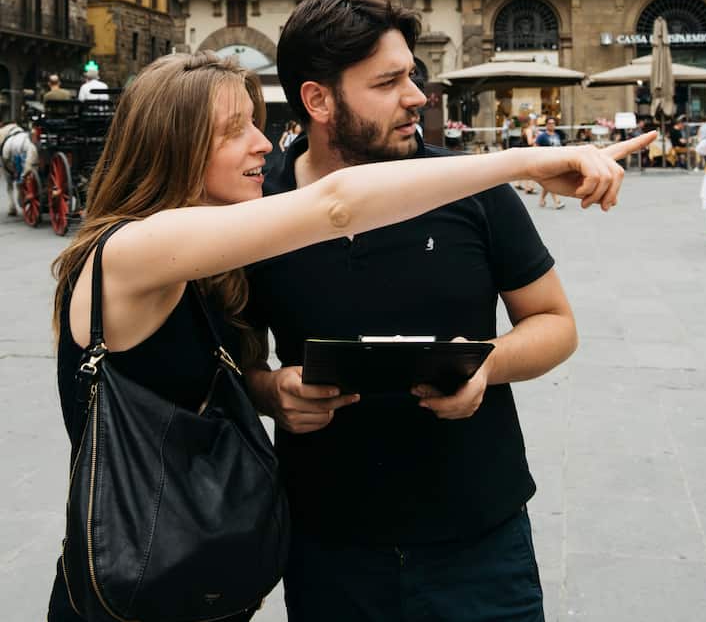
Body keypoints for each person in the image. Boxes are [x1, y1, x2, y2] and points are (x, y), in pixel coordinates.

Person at [46, 49, 650, 622]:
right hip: (132, 590)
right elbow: (337, 204)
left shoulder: (184, 262)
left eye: (256, 123)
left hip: (171, 577)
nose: (263, 143)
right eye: (233, 130)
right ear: (172, 147)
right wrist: (525, 162)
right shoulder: (131, 251)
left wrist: (268, 388)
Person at [241, 0, 652, 622]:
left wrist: (487, 363)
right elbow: (233, 361)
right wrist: (272, 391)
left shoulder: (473, 191)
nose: (417, 97)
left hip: (480, 542)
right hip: (329, 545)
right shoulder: (257, 212)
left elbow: (556, 324)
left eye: (412, 76)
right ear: (318, 101)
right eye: (388, 83)